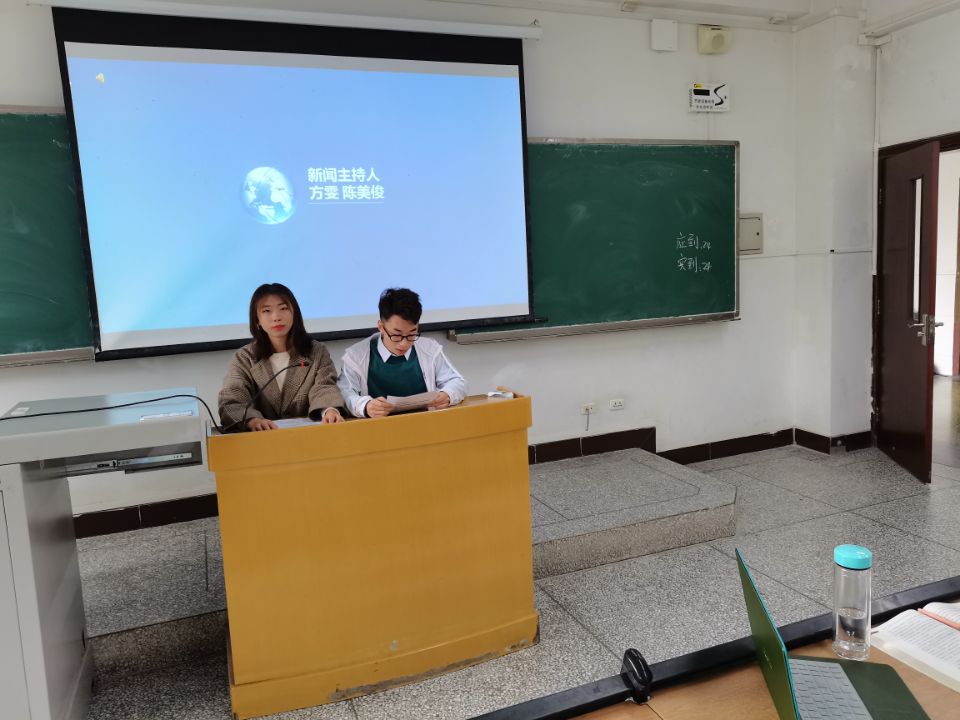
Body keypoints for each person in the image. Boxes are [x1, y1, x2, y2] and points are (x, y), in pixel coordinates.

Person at [219, 283, 344, 431]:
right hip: (261, 439)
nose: (276, 317)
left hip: (309, 435)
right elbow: (232, 399)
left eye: (283, 308)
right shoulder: (245, 357)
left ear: (294, 313)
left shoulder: (316, 351)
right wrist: (251, 420)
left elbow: (325, 387)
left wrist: (329, 410)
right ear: (257, 320)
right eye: (267, 311)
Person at [338, 288, 466, 418]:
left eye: (412, 334)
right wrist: (366, 406)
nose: (404, 343)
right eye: (396, 335)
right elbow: (345, 393)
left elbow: (457, 381)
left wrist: (447, 394)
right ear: (381, 327)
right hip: (377, 427)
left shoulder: (430, 349)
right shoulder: (356, 356)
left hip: (426, 423)